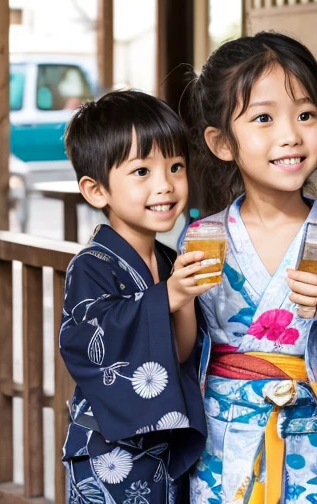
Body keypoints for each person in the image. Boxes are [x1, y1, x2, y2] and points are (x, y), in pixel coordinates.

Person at [181, 32, 317, 504]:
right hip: (224, 437)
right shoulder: (203, 237)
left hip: (313, 438)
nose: (290, 134)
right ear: (222, 142)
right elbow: (185, 348)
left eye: (306, 115)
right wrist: (176, 296)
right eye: (264, 118)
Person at [60, 89, 209, 504]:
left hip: (160, 446)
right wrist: (168, 297)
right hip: (109, 452)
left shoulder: (167, 256)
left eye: (176, 166)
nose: (165, 185)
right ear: (96, 190)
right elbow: (85, 342)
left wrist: (180, 296)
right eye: (142, 171)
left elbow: (178, 352)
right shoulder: (92, 264)